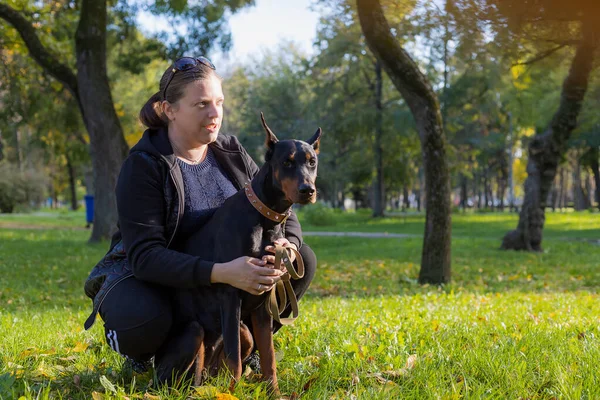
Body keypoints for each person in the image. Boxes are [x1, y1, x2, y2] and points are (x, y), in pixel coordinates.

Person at [83, 56, 317, 383]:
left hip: (218, 283)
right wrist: (222, 273)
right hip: (157, 280)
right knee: (143, 317)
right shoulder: (144, 165)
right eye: (202, 104)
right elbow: (145, 257)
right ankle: (146, 357)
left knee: (303, 258)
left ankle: (234, 348)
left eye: (219, 102)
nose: (214, 114)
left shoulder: (230, 151)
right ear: (169, 109)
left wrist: (287, 246)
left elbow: (278, 204)